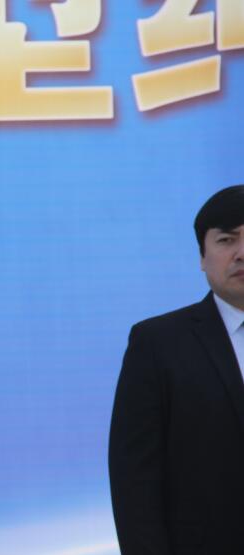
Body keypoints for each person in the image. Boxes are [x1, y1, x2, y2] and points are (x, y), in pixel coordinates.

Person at [109, 185, 244, 554]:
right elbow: (134, 479)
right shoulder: (157, 344)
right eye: (226, 240)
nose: (241, 253)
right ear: (202, 255)